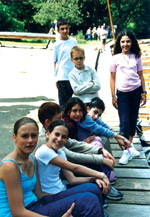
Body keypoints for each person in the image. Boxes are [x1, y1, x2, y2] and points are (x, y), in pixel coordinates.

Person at [37, 101, 124, 201]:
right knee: (93, 164)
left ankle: (103, 188)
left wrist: (99, 150)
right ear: (48, 123)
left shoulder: (56, 132)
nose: (63, 120)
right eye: (59, 118)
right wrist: (101, 161)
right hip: (57, 181)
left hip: (63, 175)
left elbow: (74, 144)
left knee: (94, 162)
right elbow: (71, 158)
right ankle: (104, 189)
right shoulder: (46, 141)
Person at [0, 117, 77, 217]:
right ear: (14, 137)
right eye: (24, 136)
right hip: (15, 214)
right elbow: (18, 212)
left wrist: (66, 197)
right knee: (86, 201)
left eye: (34, 136)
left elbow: (39, 193)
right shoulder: (10, 166)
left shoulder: (32, 159)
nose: (30, 140)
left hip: (35, 205)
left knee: (87, 193)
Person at [35, 120, 111, 217]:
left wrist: (94, 179)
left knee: (94, 187)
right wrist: (101, 175)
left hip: (61, 190)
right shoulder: (44, 152)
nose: (59, 139)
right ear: (48, 134)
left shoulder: (60, 152)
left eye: (64, 137)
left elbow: (72, 179)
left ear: (67, 140)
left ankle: (98, 212)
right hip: (48, 197)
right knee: (89, 199)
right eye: (56, 134)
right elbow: (75, 167)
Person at [110, 29, 147, 165]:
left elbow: (141, 75)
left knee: (132, 120)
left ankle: (128, 148)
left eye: (128, 41)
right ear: (119, 43)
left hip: (136, 91)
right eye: (123, 42)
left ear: (132, 42)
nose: (125, 44)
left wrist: (144, 92)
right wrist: (113, 96)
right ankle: (127, 149)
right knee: (124, 122)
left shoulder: (136, 56)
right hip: (122, 93)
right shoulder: (115, 58)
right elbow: (112, 78)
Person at [53, 19, 77, 111]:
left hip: (73, 76)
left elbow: (78, 56)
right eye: (62, 29)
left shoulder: (73, 42)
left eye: (66, 28)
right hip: (62, 77)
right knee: (63, 104)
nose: (65, 31)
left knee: (73, 103)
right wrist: (56, 78)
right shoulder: (57, 45)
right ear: (58, 30)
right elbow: (55, 62)